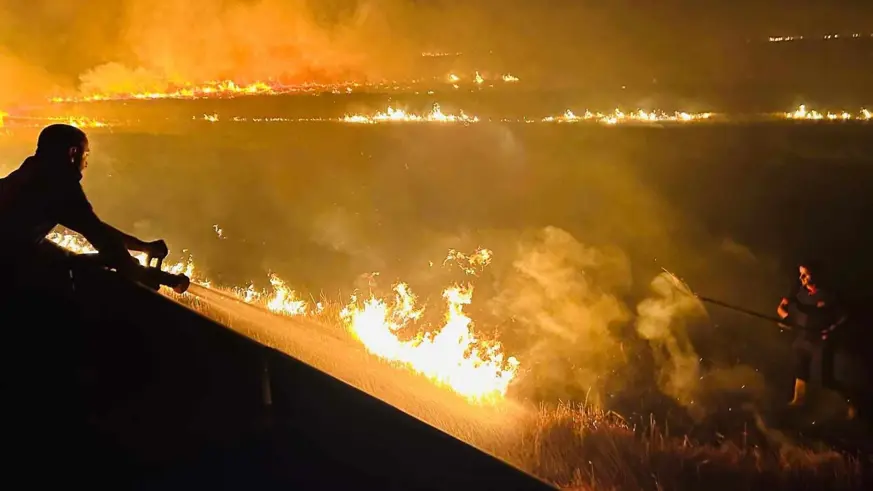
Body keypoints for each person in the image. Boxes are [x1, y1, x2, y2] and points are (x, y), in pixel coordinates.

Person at [0, 124, 167, 283]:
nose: (85, 164)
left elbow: (91, 225)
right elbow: (98, 234)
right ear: (73, 152)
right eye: (85, 155)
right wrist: (136, 271)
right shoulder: (57, 183)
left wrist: (142, 246)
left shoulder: (29, 173)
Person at [776, 260, 855, 418]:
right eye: (800, 274)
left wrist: (831, 330)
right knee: (801, 369)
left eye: (805, 274)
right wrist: (787, 319)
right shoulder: (798, 292)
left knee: (826, 378)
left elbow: (844, 317)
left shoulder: (829, 295)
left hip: (822, 340)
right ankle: (799, 400)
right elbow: (781, 308)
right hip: (804, 338)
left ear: (816, 274)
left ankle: (852, 403)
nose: (801, 278)